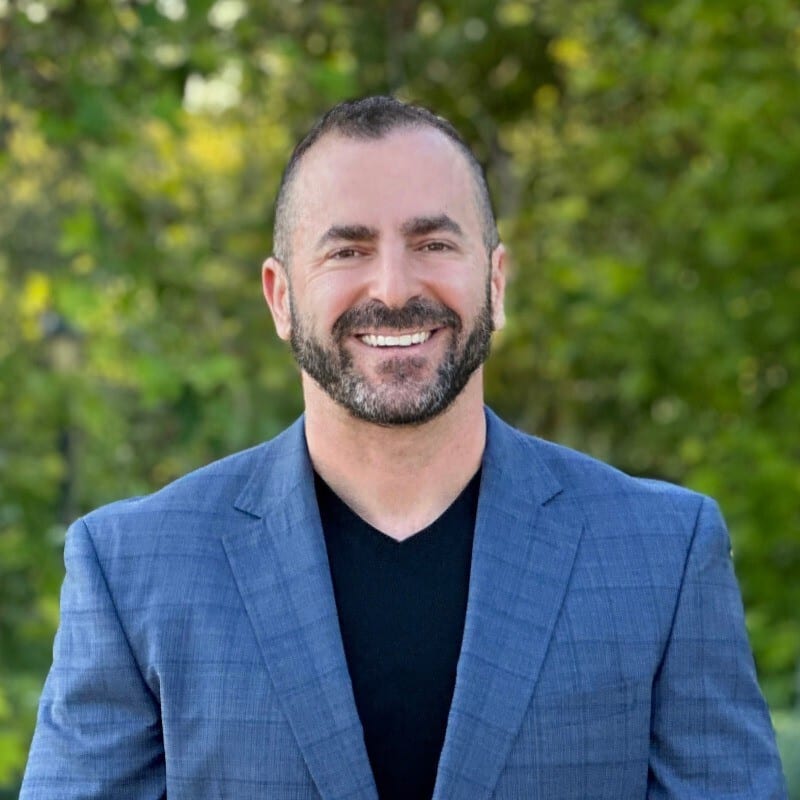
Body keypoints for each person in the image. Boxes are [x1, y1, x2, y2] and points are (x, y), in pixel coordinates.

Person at [21, 96, 786, 800]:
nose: (392, 287)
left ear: (496, 280)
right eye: (347, 251)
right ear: (281, 297)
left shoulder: (662, 556)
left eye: (433, 241)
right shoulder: (131, 569)